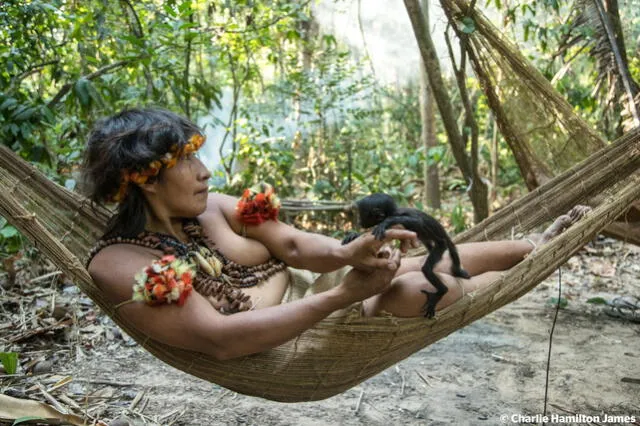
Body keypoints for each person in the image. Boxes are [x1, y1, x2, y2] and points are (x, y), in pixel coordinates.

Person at [83, 108, 589, 361]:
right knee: (416, 286)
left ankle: (539, 248)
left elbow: (298, 246)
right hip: (292, 341)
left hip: (317, 293)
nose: (205, 171)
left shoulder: (213, 207)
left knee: (407, 260)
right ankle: (510, 276)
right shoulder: (119, 263)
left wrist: (351, 251)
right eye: (187, 159)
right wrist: (343, 293)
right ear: (146, 178)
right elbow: (217, 341)